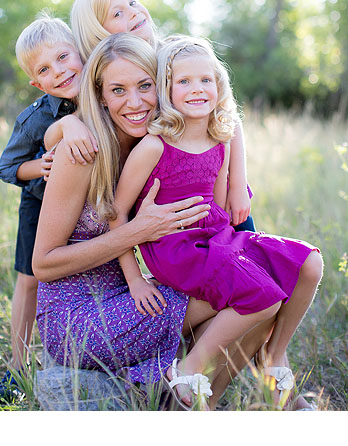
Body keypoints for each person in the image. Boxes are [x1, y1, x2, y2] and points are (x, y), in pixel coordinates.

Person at [34, 34, 275, 410]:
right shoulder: (81, 153)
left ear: (162, 86)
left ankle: (193, 401)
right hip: (77, 318)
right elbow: (43, 264)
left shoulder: (153, 142)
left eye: (145, 86)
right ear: (100, 97)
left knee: (260, 275)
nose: (135, 102)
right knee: (247, 288)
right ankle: (182, 395)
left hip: (132, 294)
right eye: (118, 90)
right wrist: (136, 232)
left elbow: (223, 117)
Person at [110, 36, 322, 408]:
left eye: (206, 80)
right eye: (184, 82)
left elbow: (221, 208)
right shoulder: (155, 147)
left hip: (217, 238)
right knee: (264, 297)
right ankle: (189, 368)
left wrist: (240, 187)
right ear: (166, 90)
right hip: (177, 250)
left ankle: (274, 356)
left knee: (309, 262)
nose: (197, 89)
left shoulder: (220, 141)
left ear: (219, 85)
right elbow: (116, 214)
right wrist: (133, 278)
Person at [66, 0, 256, 233]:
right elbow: (77, 121)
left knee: (249, 256)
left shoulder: (177, 54)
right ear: (99, 34)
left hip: (214, 188)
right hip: (167, 201)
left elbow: (227, 114)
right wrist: (67, 124)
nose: (133, 11)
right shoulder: (110, 84)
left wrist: (238, 185)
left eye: (133, 2)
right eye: (118, 13)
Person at [0, 11, 95, 399]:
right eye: (46, 70)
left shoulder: (106, 92)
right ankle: (17, 365)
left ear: (81, 52)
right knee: (30, 278)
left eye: (64, 58)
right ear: (36, 82)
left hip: (87, 208)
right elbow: (7, 168)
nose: (60, 72)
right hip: (38, 204)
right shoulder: (36, 118)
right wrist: (41, 164)